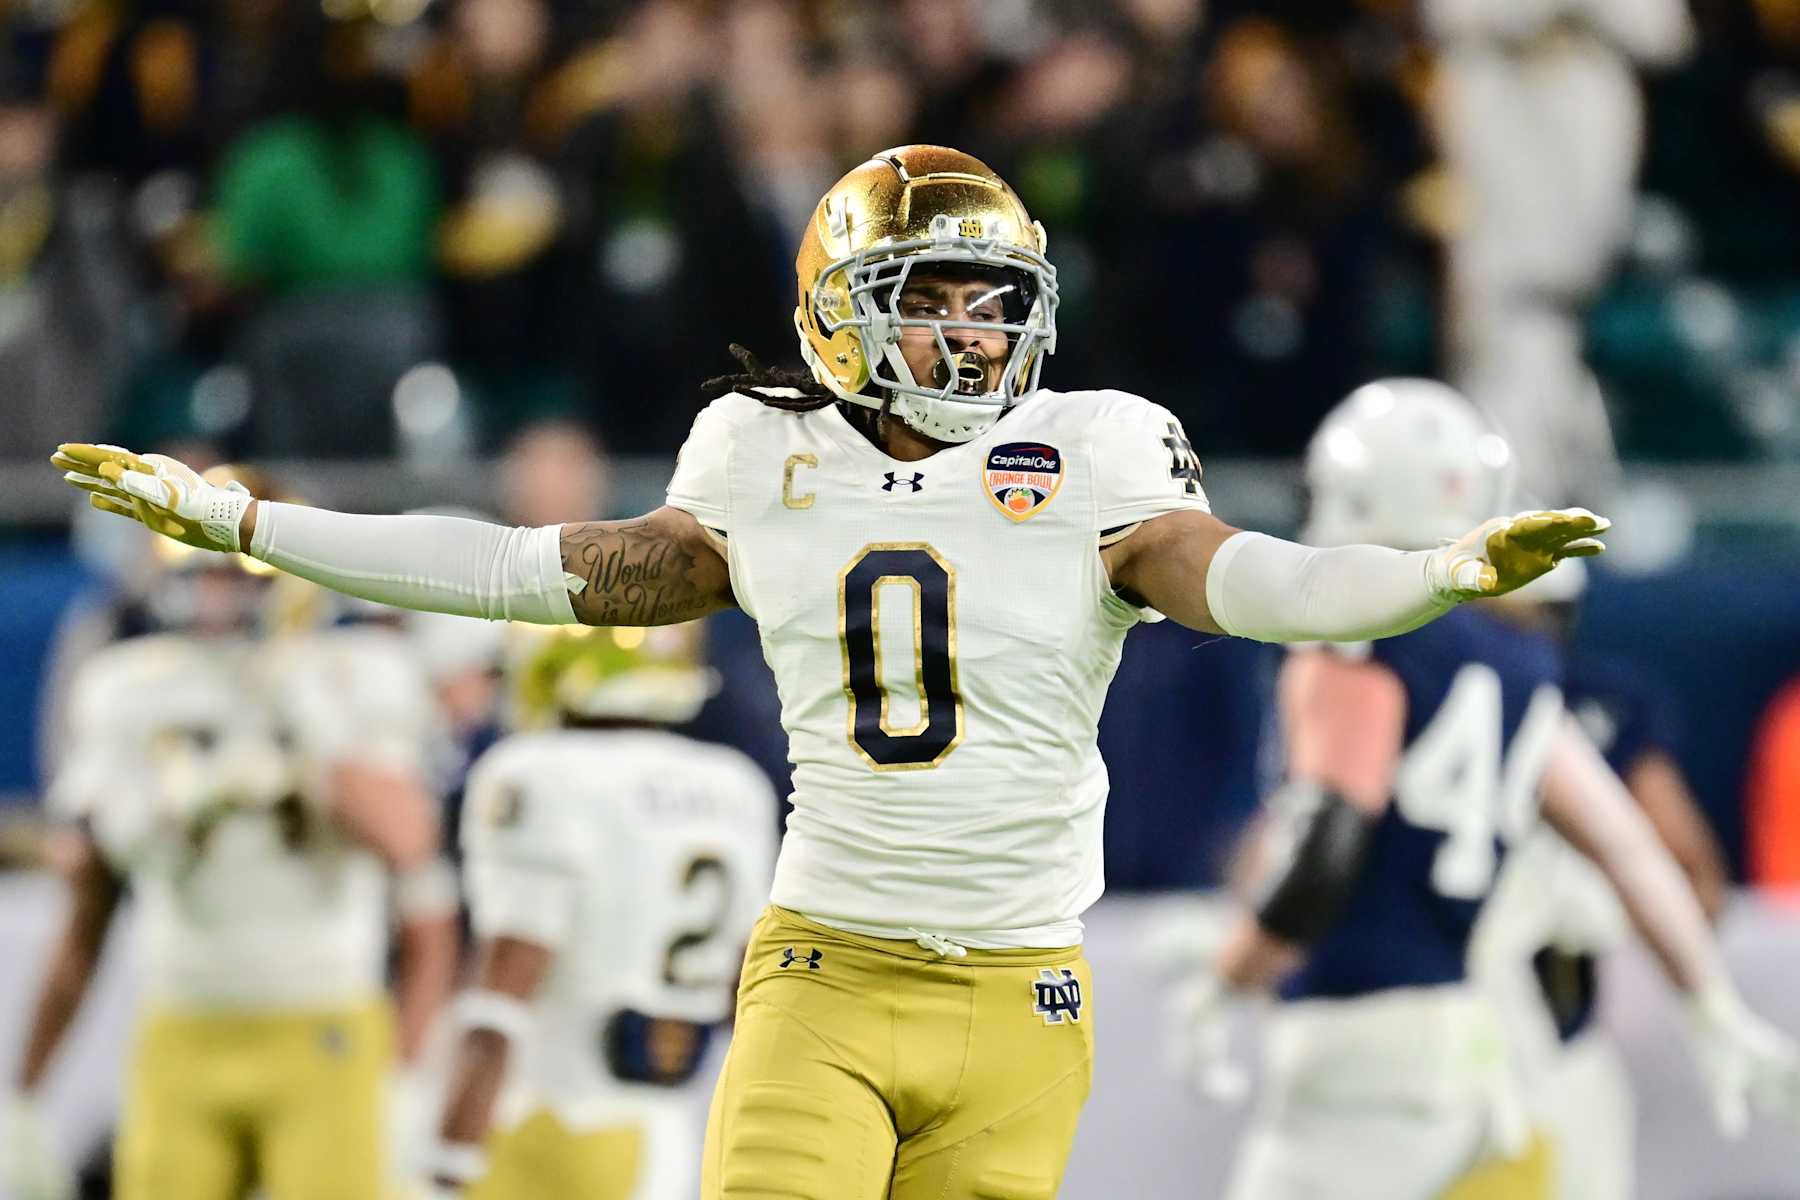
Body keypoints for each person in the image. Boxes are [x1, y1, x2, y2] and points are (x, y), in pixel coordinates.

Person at [55, 146, 1609, 1198]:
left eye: (991, 302)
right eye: (929, 301)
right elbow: (516, 571)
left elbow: (1259, 583)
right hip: (827, 975)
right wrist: (252, 526)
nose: (970, 337)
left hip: (1028, 989)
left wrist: (1435, 577)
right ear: (844, 312)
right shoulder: (758, 455)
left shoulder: (1099, 450)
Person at [1166, 381, 1799, 1200]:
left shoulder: (1351, 637)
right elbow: (1632, 852)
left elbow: (1327, 847)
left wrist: (1229, 977)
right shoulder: (1520, 666)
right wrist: (1711, 1004)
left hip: (1361, 1040)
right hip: (1470, 1047)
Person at [1, 468, 459, 1200]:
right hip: (182, 1024)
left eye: (234, 571)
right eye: (201, 570)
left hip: (324, 1027)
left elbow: (409, 844)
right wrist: (22, 1097)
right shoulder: (128, 686)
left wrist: (310, 737)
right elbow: (87, 898)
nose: (216, 593)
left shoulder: (355, 676)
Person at [424, 620, 776, 1197]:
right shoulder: (738, 785)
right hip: (677, 1131)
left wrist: (449, 1155)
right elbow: (751, 984)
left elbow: (505, 992)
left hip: (553, 1119)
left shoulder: (539, 773)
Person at [1469, 562, 1729, 1200]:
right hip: (1431, 1033)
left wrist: (1620, 915)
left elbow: (1693, 874)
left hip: (1561, 1041)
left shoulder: (1590, 704)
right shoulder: (1409, 685)